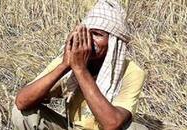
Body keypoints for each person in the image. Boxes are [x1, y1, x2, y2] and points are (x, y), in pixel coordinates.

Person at [12, 0, 148, 130]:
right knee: (23, 114)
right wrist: (65, 65)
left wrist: (80, 69)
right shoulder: (70, 60)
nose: (88, 40)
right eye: (86, 33)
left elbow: (112, 124)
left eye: (97, 34)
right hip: (70, 127)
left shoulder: (132, 72)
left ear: (113, 43)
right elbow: (22, 101)